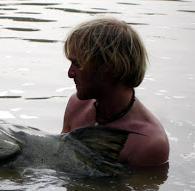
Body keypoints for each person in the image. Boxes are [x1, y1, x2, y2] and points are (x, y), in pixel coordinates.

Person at [61, 17, 169, 166]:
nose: (70, 73)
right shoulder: (76, 105)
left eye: (77, 63)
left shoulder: (149, 143)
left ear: (109, 66)